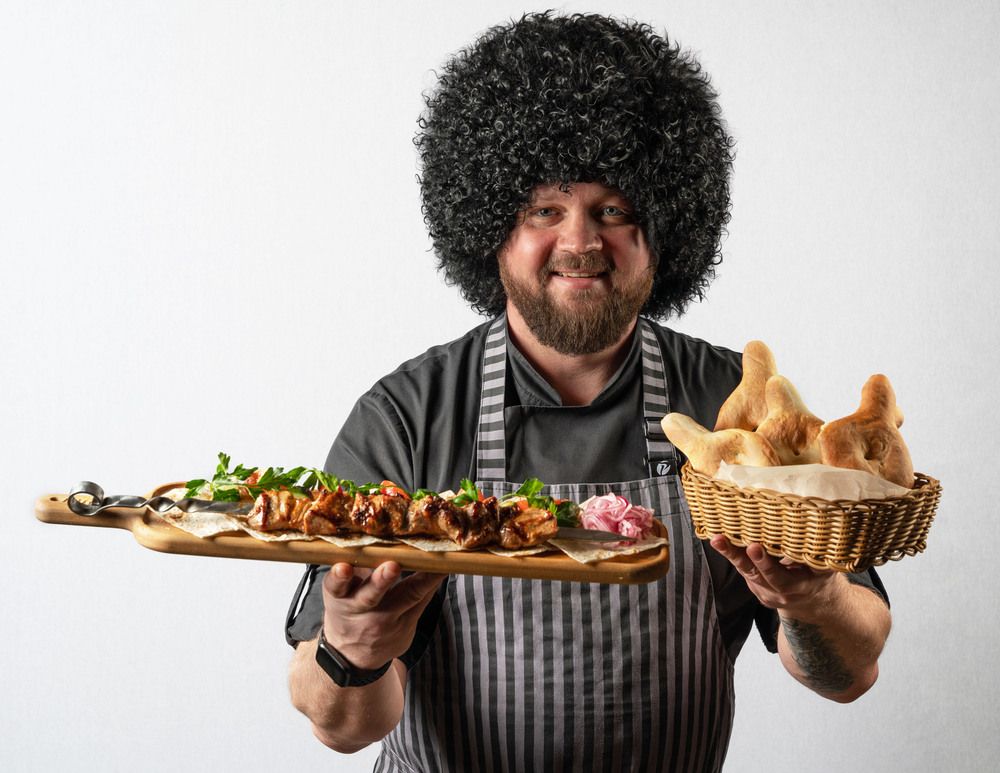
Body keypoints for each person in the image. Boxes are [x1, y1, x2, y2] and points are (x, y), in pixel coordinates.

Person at [285, 12, 892, 772]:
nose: (580, 242)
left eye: (614, 210)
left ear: (665, 227)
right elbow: (342, 727)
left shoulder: (735, 408)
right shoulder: (408, 416)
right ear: (490, 227)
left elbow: (850, 673)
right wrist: (354, 647)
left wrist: (814, 598)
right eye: (545, 210)